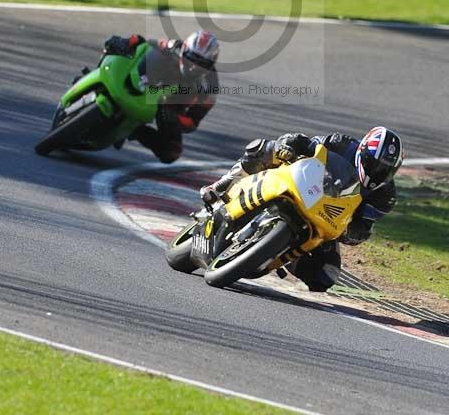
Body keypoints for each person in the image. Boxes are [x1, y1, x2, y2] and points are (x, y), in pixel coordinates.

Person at [200, 126, 403, 292]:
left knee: (325, 276)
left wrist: (350, 233)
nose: (378, 171)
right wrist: (289, 145)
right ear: (362, 151)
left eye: (385, 169)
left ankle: (281, 255)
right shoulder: (341, 143)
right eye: (374, 164)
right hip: (306, 185)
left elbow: (364, 227)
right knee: (267, 148)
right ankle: (222, 184)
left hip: (326, 218)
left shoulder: (386, 196)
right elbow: (305, 142)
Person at [102, 30, 219, 163]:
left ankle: (134, 131)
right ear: (184, 50)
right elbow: (145, 45)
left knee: (171, 151)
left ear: (210, 65)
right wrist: (130, 42)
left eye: (201, 64)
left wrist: (176, 119)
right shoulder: (172, 46)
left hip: (169, 105)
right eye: (191, 58)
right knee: (116, 45)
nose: (193, 67)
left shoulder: (210, 87)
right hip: (148, 81)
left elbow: (192, 122)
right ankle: (98, 75)